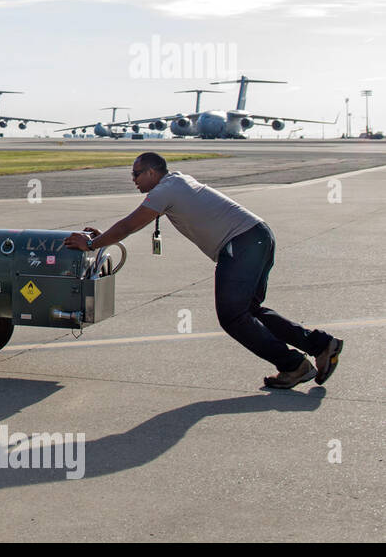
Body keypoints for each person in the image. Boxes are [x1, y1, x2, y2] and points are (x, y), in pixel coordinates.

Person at [62, 152, 344, 389]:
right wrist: (101, 239)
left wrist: (92, 244)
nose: (133, 180)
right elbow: (129, 225)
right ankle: (320, 345)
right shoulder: (176, 182)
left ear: (151, 172)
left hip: (243, 243)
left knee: (233, 317)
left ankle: (294, 366)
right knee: (250, 311)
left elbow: (130, 224)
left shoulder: (166, 189)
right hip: (256, 237)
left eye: (136, 174)